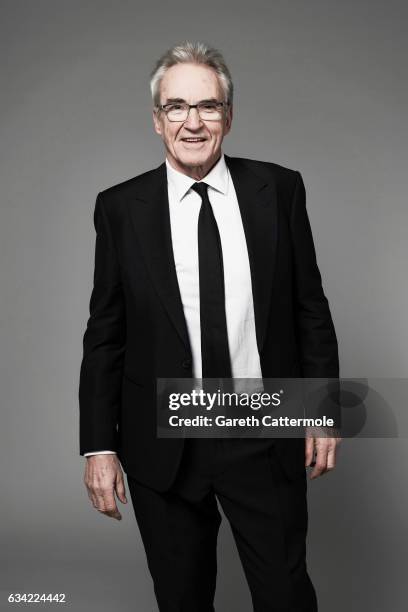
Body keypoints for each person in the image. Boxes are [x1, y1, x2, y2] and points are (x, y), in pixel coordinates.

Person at [79, 41, 341, 611]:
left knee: (285, 594)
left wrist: (322, 411)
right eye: (176, 107)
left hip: (263, 426)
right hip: (163, 439)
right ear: (156, 120)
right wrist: (99, 446)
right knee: (182, 599)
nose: (192, 122)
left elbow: (309, 307)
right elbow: (106, 332)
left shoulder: (280, 190)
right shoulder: (121, 207)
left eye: (208, 106)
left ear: (229, 115)